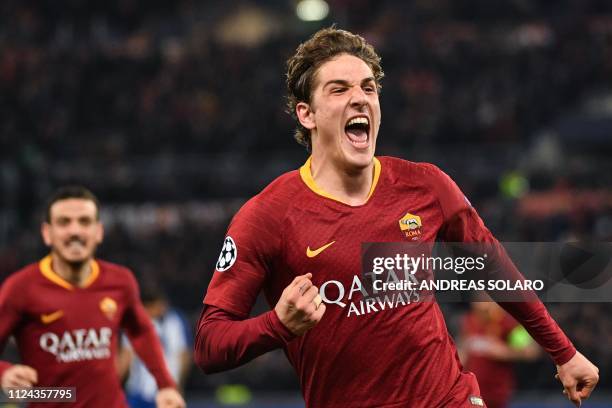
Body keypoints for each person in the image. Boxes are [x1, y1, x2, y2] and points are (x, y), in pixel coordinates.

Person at [194, 27, 599, 407]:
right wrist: (277, 325)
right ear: (307, 114)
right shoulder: (268, 215)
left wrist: (563, 351)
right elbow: (210, 345)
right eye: (339, 89)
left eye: (368, 88)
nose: (360, 98)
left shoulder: (426, 185)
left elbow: (493, 266)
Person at [0, 186, 185, 408]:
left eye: (84, 221)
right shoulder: (21, 288)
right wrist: (4, 373)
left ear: (99, 231)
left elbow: (141, 331)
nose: (75, 231)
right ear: (47, 233)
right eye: (64, 222)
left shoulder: (120, 281)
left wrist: (165, 386)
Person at [118, 285, 191, 408]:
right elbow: (126, 357)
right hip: (138, 392)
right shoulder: (133, 323)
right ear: (147, 306)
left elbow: (184, 355)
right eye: (159, 305)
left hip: (167, 393)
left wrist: (179, 385)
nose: (163, 308)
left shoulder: (175, 321)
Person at [458, 300, 540, 408]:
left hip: (497, 392)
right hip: (472, 391)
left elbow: (531, 351)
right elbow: (463, 350)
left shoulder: (508, 323)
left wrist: (503, 351)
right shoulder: (470, 320)